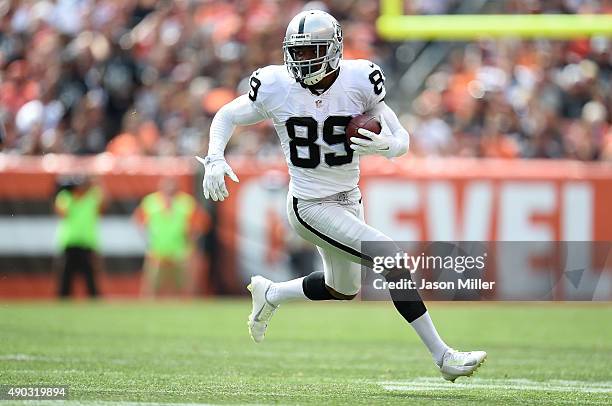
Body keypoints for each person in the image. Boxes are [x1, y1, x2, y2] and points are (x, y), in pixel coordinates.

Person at [197, 10, 486, 382]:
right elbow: (226, 115)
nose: (302, 61)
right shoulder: (274, 84)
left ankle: (271, 294)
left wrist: (388, 146)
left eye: (312, 50)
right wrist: (215, 158)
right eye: (297, 52)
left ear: (333, 50)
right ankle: (442, 356)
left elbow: (400, 137)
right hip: (309, 206)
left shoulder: (359, 79)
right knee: (390, 256)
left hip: (348, 196)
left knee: (342, 288)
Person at [133, 176, 208, 297]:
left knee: (185, 287)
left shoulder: (186, 202)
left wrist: (191, 239)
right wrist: (147, 238)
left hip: (181, 253)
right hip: (157, 252)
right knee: (151, 287)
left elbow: (200, 223)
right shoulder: (151, 201)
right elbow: (138, 220)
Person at [55, 175, 106, 298]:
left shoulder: (92, 197)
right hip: (69, 243)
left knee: (91, 282)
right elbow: (61, 212)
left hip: (87, 244)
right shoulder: (66, 197)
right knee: (65, 281)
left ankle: (94, 308)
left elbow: (103, 203)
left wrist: (97, 183)